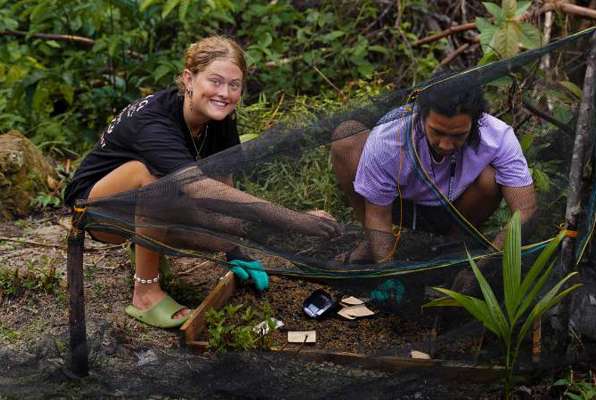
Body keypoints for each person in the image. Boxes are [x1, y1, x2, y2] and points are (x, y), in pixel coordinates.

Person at [65, 36, 340, 328]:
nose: (225, 93)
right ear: (189, 79)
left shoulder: (219, 118)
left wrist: (235, 249)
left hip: (150, 204)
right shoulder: (154, 121)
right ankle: (144, 293)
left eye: (234, 85)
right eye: (215, 81)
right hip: (97, 210)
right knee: (152, 177)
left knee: (224, 232)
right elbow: (199, 187)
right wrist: (292, 219)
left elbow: (224, 183)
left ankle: (148, 241)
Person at [331, 74, 537, 276]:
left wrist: (481, 269)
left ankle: (451, 245)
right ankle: (373, 240)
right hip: (398, 204)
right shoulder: (390, 137)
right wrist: (388, 273)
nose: (446, 145)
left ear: (475, 123)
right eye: (437, 132)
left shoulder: (498, 136)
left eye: (458, 135)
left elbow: (525, 211)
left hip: (456, 208)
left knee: (490, 179)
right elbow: (378, 213)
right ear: (421, 116)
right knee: (347, 138)